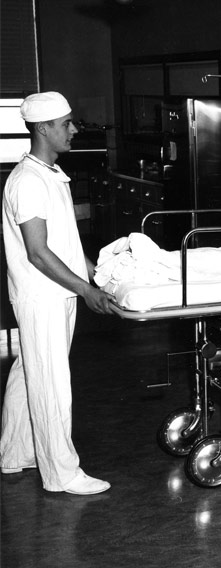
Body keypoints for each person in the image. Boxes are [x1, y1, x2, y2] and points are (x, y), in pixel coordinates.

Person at [1, 92, 115, 495]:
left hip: (56, 292)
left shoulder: (52, 174)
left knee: (28, 371)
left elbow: (64, 243)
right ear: (42, 128)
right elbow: (37, 252)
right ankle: (61, 473)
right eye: (65, 124)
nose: (73, 129)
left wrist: (101, 276)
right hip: (43, 297)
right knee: (50, 382)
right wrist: (84, 290)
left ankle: (15, 452)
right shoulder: (28, 181)